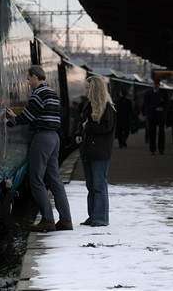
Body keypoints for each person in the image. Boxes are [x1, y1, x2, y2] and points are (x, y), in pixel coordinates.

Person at [7, 65, 73, 232]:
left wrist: (12, 119)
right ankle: (66, 220)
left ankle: (47, 220)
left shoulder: (38, 94)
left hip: (42, 138)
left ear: (36, 77)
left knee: (36, 179)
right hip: (54, 138)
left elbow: (28, 117)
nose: (28, 82)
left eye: (29, 78)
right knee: (55, 180)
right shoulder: (52, 93)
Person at [76, 76, 116, 227]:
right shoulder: (88, 106)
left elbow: (106, 129)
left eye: (88, 88)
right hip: (88, 151)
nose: (85, 91)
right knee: (91, 185)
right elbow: (81, 124)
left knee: (99, 185)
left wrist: (88, 127)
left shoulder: (107, 108)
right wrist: (79, 133)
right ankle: (92, 216)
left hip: (100, 152)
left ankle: (100, 218)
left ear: (95, 89)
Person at [143, 78, 167, 155]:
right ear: (153, 85)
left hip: (160, 116)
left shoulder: (163, 93)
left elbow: (167, 104)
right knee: (152, 132)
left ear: (159, 85)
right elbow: (146, 104)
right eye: (155, 84)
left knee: (161, 132)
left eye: (157, 84)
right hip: (152, 116)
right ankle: (152, 149)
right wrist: (148, 112)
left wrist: (163, 109)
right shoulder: (148, 93)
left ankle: (161, 149)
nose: (156, 85)